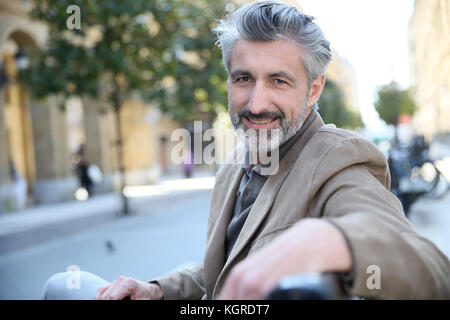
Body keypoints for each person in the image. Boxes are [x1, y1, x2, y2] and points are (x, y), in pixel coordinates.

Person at [42, 1, 450, 300]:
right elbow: (221, 272)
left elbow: (431, 270)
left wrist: (330, 239)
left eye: (278, 81)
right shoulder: (235, 165)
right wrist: (156, 290)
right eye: (243, 79)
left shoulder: (339, 160)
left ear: (313, 89)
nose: (255, 104)